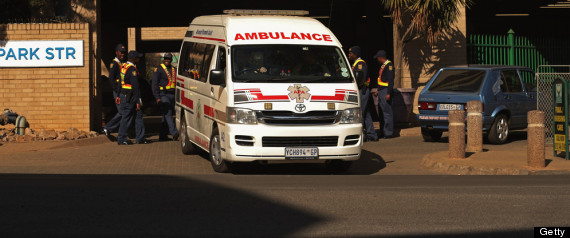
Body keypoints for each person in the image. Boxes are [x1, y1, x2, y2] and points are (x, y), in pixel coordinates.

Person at [117, 50, 151, 145]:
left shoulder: (124, 67)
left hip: (124, 95)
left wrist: (118, 94)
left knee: (138, 116)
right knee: (127, 117)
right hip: (130, 97)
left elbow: (120, 82)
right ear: (134, 59)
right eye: (137, 58)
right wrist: (137, 101)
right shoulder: (132, 69)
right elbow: (135, 87)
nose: (139, 59)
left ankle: (140, 138)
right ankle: (121, 138)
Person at [348, 46, 378, 142]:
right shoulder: (356, 64)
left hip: (362, 90)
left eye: (350, 53)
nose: (349, 55)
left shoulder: (360, 64)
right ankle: (372, 134)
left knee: (360, 114)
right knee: (366, 113)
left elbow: (361, 79)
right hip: (361, 90)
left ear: (355, 54)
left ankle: (361, 135)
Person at [152, 53, 179, 141]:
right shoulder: (158, 69)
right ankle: (174, 132)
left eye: (168, 59)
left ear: (171, 60)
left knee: (166, 116)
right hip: (163, 94)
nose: (167, 60)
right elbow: (154, 84)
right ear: (164, 59)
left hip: (172, 94)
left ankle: (162, 136)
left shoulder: (174, 69)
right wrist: (157, 97)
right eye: (165, 59)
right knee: (168, 114)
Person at [102, 43, 127, 137]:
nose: (122, 54)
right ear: (116, 52)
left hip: (122, 91)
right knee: (122, 112)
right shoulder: (114, 64)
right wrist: (116, 91)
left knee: (124, 112)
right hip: (117, 91)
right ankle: (108, 128)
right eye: (121, 52)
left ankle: (112, 129)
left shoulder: (121, 63)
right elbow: (111, 78)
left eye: (124, 52)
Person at [372, 50, 395, 139]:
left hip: (386, 91)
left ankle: (388, 133)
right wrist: (378, 90)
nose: (377, 60)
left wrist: (389, 93)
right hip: (381, 90)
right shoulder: (384, 66)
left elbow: (390, 81)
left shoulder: (389, 66)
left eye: (378, 58)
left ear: (381, 57)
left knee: (387, 112)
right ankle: (383, 131)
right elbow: (382, 80)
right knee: (381, 112)